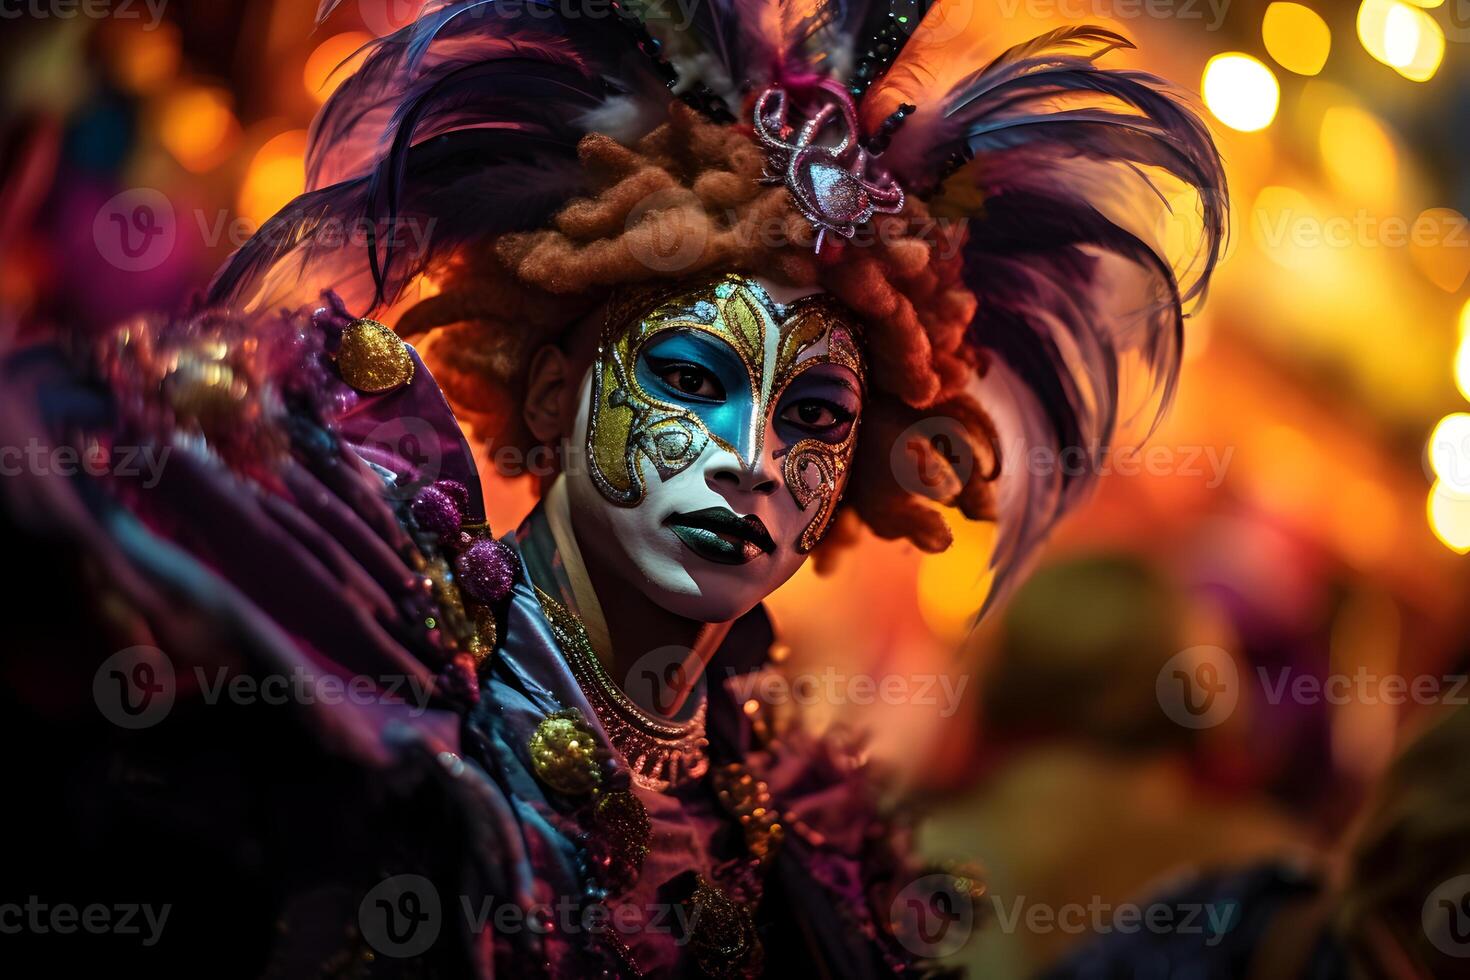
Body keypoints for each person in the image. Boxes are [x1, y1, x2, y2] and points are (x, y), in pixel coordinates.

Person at [0, 1, 1224, 975]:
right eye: (690, 377)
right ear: (552, 397)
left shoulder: (804, 854)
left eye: (813, 416)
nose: (750, 456)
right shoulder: (356, 640)